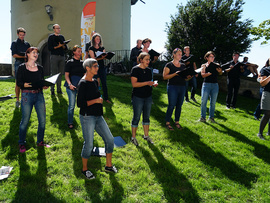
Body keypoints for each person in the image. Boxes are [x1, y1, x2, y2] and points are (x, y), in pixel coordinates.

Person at [77, 58, 117, 179]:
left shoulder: (94, 81)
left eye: (97, 66)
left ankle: (108, 166)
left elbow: (98, 97)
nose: (97, 68)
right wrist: (96, 101)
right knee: (89, 144)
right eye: (95, 66)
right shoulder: (82, 83)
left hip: (98, 116)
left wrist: (100, 109)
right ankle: (84, 170)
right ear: (87, 68)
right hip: (87, 117)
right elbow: (80, 104)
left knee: (110, 139)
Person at [16, 47, 49, 153]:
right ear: (28, 54)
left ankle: (40, 141)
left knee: (42, 121)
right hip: (27, 96)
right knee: (25, 121)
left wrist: (44, 85)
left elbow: (41, 81)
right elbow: (18, 82)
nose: (36, 54)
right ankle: (21, 143)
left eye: (37, 53)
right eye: (33, 52)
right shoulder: (22, 67)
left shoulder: (40, 68)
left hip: (39, 95)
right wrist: (23, 84)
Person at [130, 52, 158, 146]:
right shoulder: (135, 69)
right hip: (138, 97)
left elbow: (149, 82)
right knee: (136, 117)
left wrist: (153, 84)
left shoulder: (149, 70)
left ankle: (146, 136)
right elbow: (134, 84)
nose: (148, 61)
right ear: (141, 60)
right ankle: (133, 137)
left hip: (148, 97)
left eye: (149, 59)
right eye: (146, 59)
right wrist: (147, 83)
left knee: (146, 117)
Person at [163, 48, 191, 130]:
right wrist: (175, 74)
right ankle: (167, 122)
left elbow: (184, 78)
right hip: (172, 87)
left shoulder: (183, 65)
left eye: (181, 54)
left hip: (182, 87)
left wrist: (188, 77)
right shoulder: (169, 65)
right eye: (178, 54)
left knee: (179, 105)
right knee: (171, 105)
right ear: (174, 55)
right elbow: (165, 77)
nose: (180, 55)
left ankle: (177, 122)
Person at [64, 45, 85, 129]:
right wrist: (70, 84)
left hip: (80, 87)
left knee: (83, 105)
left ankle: (84, 121)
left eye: (81, 51)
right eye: (78, 51)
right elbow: (66, 75)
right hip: (71, 86)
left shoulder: (82, 63)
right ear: (74, 52)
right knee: (71, 106)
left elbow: (84, 75)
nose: (80, 53)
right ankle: (70, 122)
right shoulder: (69, 62)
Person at [199, 51, 222, 123]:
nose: (213, 58)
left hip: (215, 85)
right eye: (211, 56)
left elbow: (221, 73)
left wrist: (219, 71)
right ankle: (203, 117)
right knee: (204, 101)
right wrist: (209, 73)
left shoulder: (216, 65)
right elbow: (202, 75)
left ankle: (211, 118)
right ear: (207, 58)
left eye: (213, 56)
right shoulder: (203, 65)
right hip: (206, 85)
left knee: (213, 102)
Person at [10, 27, 30, 108]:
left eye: (23, 35)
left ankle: (23, 99)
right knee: (18, 83)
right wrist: (23, 56)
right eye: (20, 35)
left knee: (25, 82)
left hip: (26, 64)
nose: (22, 36)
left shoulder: (27, 44)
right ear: (17, 34)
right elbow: (14, 55)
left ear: (25, 34)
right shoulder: (14, 43)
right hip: (18, 63)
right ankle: (17, 100)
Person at [89, 33, 111, 103]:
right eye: (97, 38)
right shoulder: (91, 48)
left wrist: (106, 56)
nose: (98, 40)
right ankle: (94, 97)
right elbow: (93, 59)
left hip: (101, 67)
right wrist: (100, 58)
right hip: (94, 67)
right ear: (94, 40)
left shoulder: (102, 48)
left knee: (104, 83)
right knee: (95, 83)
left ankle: (106, 98)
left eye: (99, 38)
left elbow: (104, 57)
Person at [48, 24, 67, 95]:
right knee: (54, 73)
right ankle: (52, 89)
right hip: (54, 56)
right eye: (57, 28)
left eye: (59, 28)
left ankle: (59, 89)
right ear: (54, 29)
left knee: (60, 74)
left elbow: (66, 48)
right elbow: (49, 48)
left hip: (62, 56)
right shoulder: (51, 37)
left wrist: (63, 46)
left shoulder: (62, 37)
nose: (59, 29)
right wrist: (58, 46)